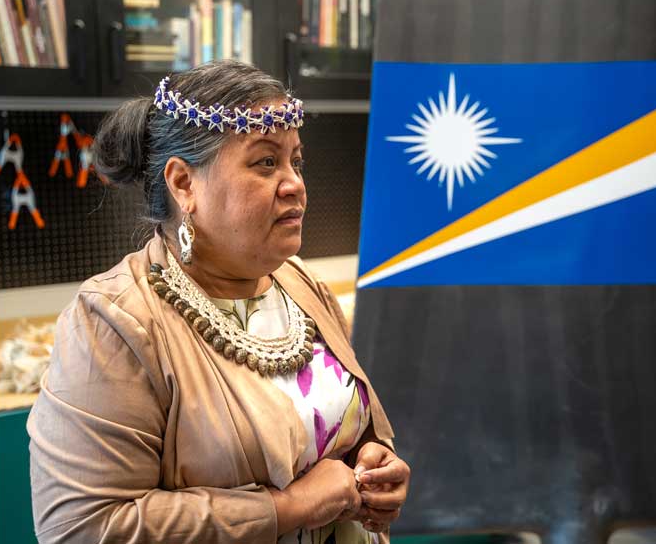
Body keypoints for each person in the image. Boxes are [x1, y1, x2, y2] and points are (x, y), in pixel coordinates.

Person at [27, 60, 411, 544]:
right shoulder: (114, 322)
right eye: (266, 162)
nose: (295, 183)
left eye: (296, 161)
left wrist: (373, 466)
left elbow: (341, 431)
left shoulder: (301, 285)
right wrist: (288, 508)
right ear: (184, 183)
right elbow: (81, 528)